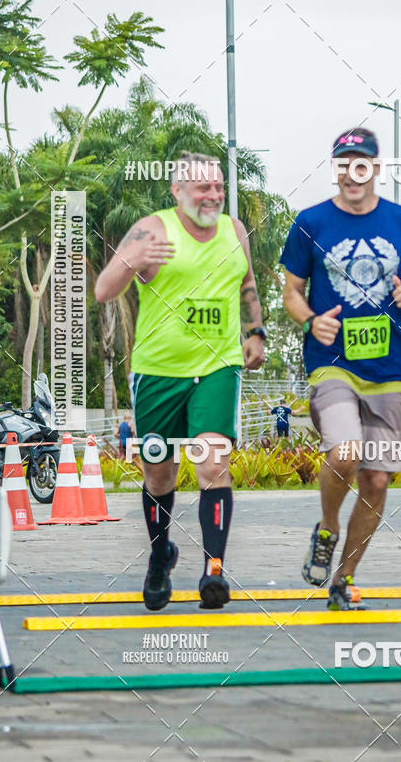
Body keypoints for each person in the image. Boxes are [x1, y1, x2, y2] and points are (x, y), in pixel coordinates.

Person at [281, 126, 401, 610]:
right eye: (344, 162)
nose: (353, 172)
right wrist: (311, 320)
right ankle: (327, 528)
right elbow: (290, 290)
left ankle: (344, 579)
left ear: (374, 167)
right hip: (331, 363)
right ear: (336, 169)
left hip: (388, 369)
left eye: (362, 162)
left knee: (376, 479)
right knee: (346, 451)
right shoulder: (311, 222)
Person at [95, 152, 266, 611]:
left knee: (212, 462)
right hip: (158, 371)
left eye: (218, 188)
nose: (212, 196)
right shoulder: (152, 229)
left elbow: (247, 283)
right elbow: (102, 290)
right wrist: (132, 261)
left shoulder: (234, 231)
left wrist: (255, 332)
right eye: (202, 188)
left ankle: (214, 569)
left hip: (216, 366)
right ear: (177, 191)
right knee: (158, 471)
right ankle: (159, 554)